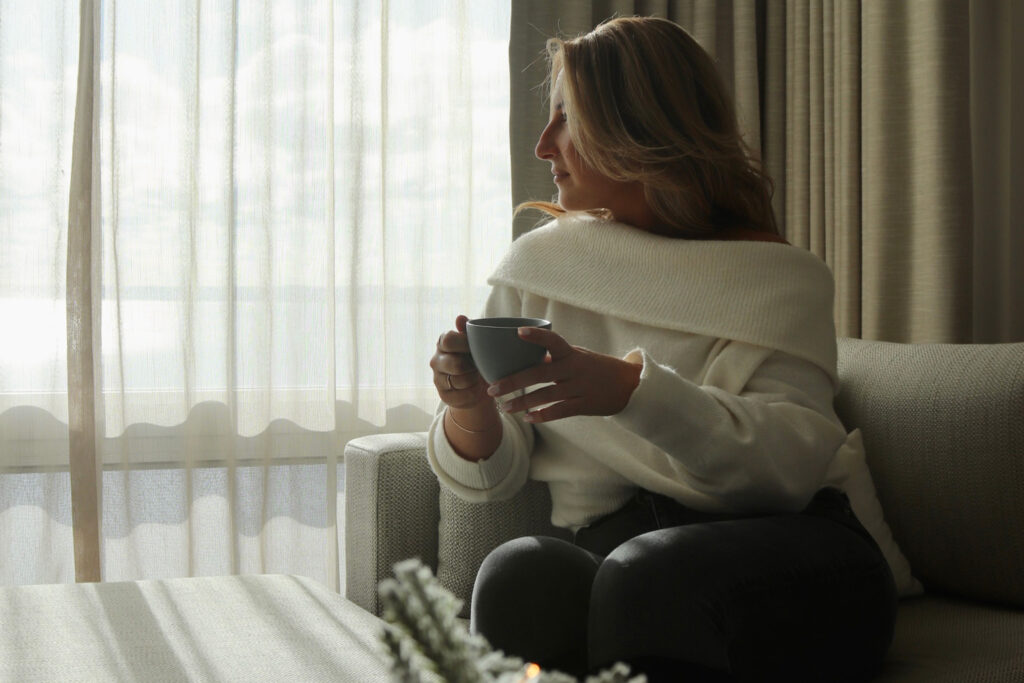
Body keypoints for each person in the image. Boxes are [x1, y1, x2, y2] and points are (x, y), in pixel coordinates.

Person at [428, 16, 896, 683]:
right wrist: (469, 407)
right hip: (617, 554)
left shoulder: (777, 278)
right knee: (518, 574)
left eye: (567, 119)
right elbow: (493, 474)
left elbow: (787, 469)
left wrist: (628, 390)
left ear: (635, 130)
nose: (542, 145)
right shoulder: (540, 266)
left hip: (791, 559)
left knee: (645, 575)